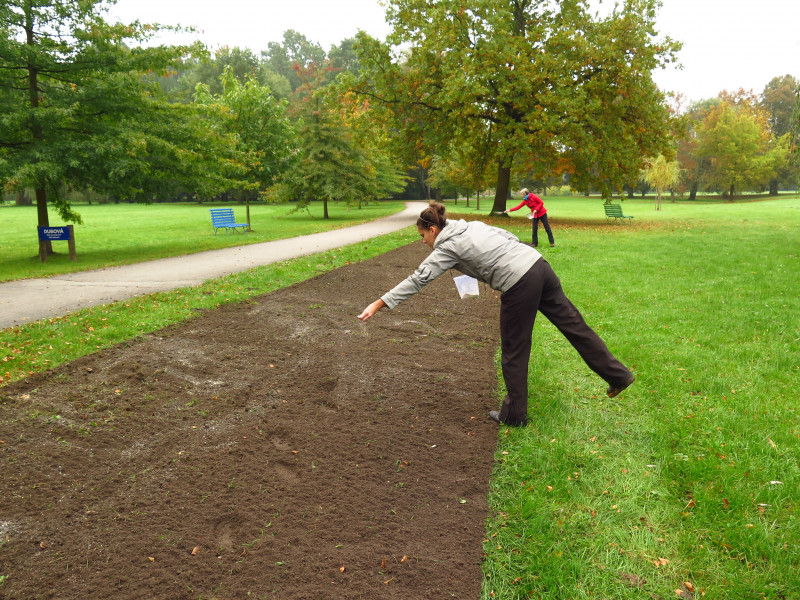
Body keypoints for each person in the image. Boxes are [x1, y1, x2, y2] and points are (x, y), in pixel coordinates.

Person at [357, 201, 635, 427]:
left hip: (520, 283)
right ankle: (619, 375)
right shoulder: (471, 226)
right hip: (539, 267)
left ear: (432, 229)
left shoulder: (447, 245)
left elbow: (419, 278)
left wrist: (379, 303)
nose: (423, 243)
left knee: (514, 349)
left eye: (422, 236)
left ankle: (514, 415)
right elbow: (509, 238)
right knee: (575, 326)